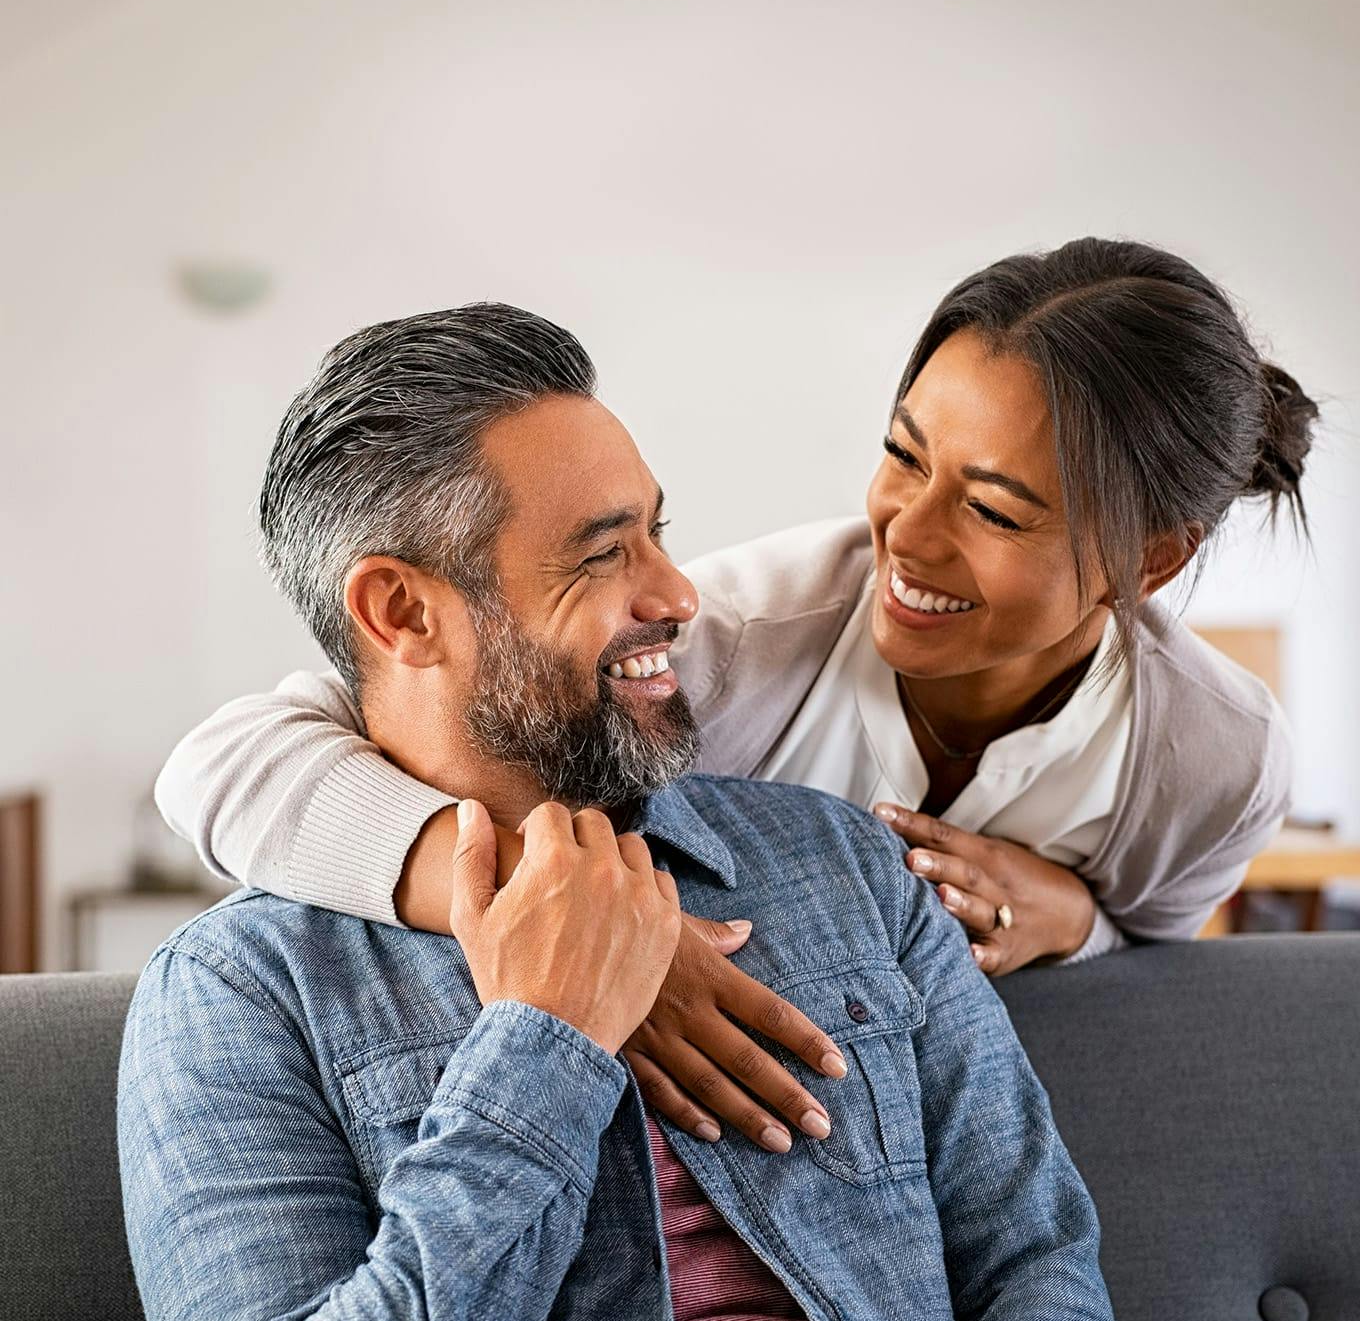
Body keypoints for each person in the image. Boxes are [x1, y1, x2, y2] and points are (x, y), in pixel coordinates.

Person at [119, 304, 1142, 1321]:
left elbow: (1036, 1265)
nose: (677, 594)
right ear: (402, 610)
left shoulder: (846, 863)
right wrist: (541, 1045)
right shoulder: (241, 991)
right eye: (604, 553)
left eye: (657, 532)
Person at [156, 237, 1313, 1152]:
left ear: (1149, 561)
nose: (903, 534)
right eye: (902, 454)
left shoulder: (1214, 758)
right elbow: (225, 763)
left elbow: (1156, 968)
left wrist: (1077, 921)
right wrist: (575, 920)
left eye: (995, 509)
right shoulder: (732, 640)